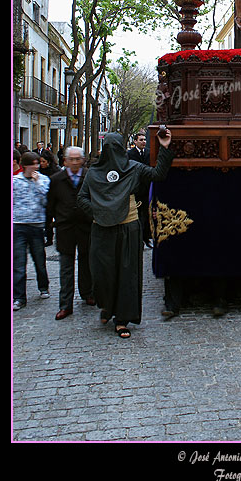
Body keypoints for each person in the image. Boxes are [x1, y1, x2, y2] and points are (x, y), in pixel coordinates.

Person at [77, 130, 174, 338]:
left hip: (128, 227)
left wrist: (164, 147)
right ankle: (106, 306)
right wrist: (97, 211)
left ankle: (122, 319)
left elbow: (158, 174)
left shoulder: (134, 168)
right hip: (102, 229)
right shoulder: (94, 173)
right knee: (102, 273)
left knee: (127, 275)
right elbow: (82, 198)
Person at [46, 146, 95, 320]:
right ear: (65, 161)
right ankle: (65, 304)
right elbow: (50, 206)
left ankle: (87, 293)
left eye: (77, 159)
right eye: (71, 159)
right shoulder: (56, 180)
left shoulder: (89, 176)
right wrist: (50, 228)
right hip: (65, 228)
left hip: (85, 227)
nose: (74, 162)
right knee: (66, 267)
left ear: (83, 160)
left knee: (86, 263)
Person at [13, 152, 51, 310]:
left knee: (39, 260)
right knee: (19, 263)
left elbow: (45, 200)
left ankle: (43, 287)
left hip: (36, 225)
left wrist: (37, 183)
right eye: (33, 164)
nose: (36, 167)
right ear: (25, 165)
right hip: (19, 224)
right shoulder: (15, 181)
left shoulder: (43, 180)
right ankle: (19, 297)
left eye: (37, 163)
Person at [127, 131, 153, 248]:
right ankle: (138, 239)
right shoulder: (129, 154)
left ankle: (147, 237)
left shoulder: (149, 153)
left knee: (147, 214)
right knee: (137, 215)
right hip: (136, 189)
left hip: (147, 188)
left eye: (144, 140)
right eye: (141, 140)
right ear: (135, 141)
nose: (144, 142)